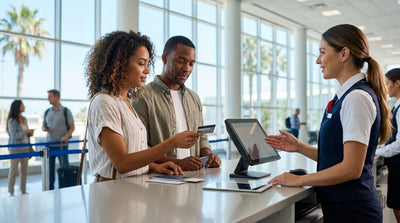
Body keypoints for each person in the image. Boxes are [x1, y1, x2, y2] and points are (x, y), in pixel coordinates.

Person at [265, 24, 391, 223]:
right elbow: (338, 158)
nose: (318, 60)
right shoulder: (347, 97)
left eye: (322, 52)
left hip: (354, 212)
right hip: (345, 208)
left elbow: (351, 168)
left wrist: (298, 180)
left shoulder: (356, 98)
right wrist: (300, 147)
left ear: (344, 54)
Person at [84, 30, 202, 181]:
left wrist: (155, 167)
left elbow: (135, 151)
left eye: (147, 64)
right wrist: (172, 143)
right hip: (112, 193)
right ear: (119, 64)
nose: (147, 70)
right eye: (141, 63)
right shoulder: (104, 102)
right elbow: (122, 163)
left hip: (132, 190)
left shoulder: (125, 102)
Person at [132, 35, 221, 171]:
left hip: (194, 178)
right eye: (181, 61)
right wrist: (178, 163)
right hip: (160, 180)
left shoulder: (194, 98)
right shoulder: (142, 97)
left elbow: (202, 139)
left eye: (191, 64)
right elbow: (139, 148)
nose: (187, 68)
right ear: (165, 58)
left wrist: (209, 156)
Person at [375, 68, 400, 223]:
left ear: (398, 83)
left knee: (398, 205)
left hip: (399, 166)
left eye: (387, 84)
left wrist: (379, 151)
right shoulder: (396, 106)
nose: (385, 88)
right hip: (396, 166)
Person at [42, 89, 75, 190]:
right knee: (49, 171)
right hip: (49, 146)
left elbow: (72, 127)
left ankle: (65, 189)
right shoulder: (47, 112)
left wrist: (66, 136)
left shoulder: (66, 111)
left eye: (50, 96)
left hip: (61, 146)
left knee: (64, 168)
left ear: (57, 97)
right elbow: (43, 126)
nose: (48, 98)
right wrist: (44, 128)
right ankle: (50, 190)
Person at [6, 100, 34, 196]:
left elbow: (26, 134)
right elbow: (14, 135)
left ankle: (23, 190)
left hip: (25, 148)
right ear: (17, 107)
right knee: (13, 170)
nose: (24, 107)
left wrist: (30, 133)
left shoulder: (24, 119)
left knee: (24, 170)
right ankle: (11, 191)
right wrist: (25, 132)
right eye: (22, 105)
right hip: (15, 149)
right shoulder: (11, 121)